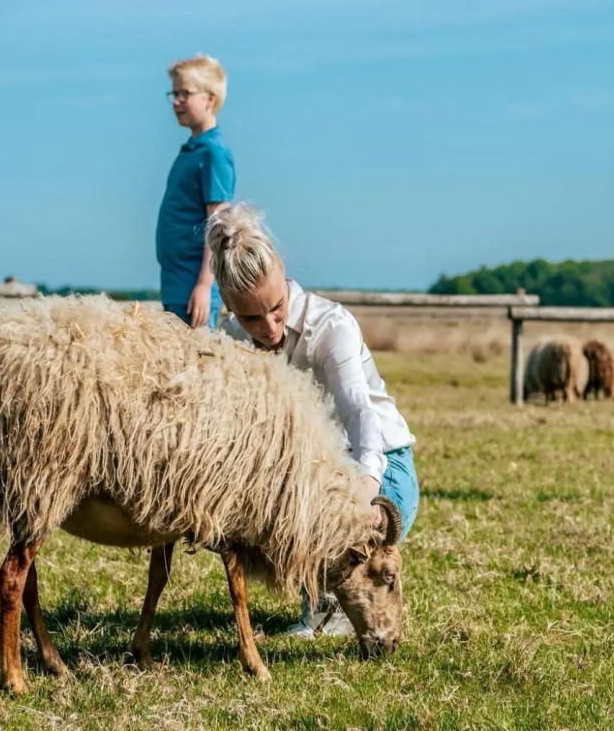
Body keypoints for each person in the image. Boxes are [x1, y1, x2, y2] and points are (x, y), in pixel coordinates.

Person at [206, 202, 418, 638]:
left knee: (350, 537)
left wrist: (365, 486)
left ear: (285, 278)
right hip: (305, 474)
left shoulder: (331, 326)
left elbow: (360, 414)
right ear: (227, 306)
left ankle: (336, 604)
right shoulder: (228, 341)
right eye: (250, 316)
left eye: (277, 306)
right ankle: (315, 592)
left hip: (377, 461)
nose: (268, 326)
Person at [156, 55, 236, 329]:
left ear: (210, 99)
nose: (177, 100)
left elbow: (218, 225)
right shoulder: (192, 150)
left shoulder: (213, 153)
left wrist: (204, 284)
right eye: (174, 93)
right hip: (175, 281)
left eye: (185, 93)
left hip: (194, 286)